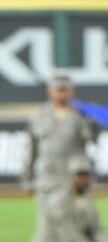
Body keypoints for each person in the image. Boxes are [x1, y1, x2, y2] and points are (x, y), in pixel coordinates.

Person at [20, 70, 98, 203]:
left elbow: (92, 140)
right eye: (58, 90)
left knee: (80, 220)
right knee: (49, 220)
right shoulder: (39, 116)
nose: (61, 94)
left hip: (75, 179)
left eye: (65, 90)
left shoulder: (81, 114)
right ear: (50, 91)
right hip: (48, 178)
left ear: (71, 91)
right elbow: (31, 150)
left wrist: (85, 118)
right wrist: (28, 179)